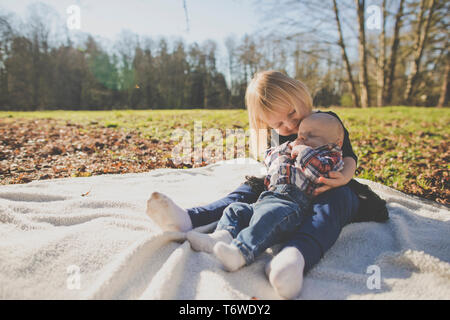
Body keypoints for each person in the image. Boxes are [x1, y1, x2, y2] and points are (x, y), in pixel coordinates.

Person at [146, 70, 388, 299]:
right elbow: (276, 164)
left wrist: (345, 175)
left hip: (327, 185)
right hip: (288, 192)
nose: (290, 126)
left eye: (292, 114)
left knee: (339, 199)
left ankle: (295, 257)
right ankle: (190, 219)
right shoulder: (279, 134)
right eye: (279, 124)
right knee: (251, 189)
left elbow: (347, 155)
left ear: (301, 96)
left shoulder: (324, 121)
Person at [193, 113, 346, 274]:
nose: (302, 139)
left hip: (291, 205)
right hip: (267, 197)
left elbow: (319, 172)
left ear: (336, 142)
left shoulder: (331, 156)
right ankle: (221, 236)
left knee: (267, 217)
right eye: (300, 134)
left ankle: (241, 252)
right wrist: (285, 150)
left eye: (311, 136)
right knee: (236, 209)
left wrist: (303, 151)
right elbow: (270, 159)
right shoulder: (292, 149)